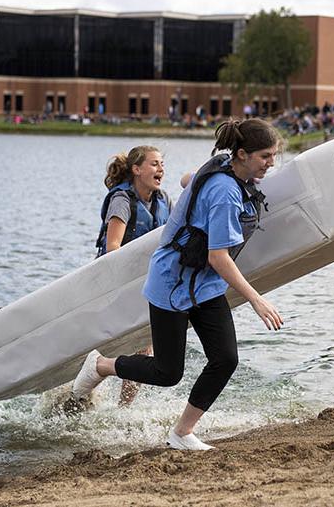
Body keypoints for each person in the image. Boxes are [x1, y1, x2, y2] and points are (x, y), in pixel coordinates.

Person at [71, 119, 283, 450]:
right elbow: (218, 257)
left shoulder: (225, 167)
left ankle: (181, 433)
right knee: (168, 373)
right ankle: (100, 365)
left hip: (206, 285)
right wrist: (256, 299)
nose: (271, 163)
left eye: (274, 156)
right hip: (173, 284)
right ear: (242, 154)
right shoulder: (226, 191)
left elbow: (187, 179)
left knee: (225, 359)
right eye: (266, 157)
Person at [93, 145, 171, 405]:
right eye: (154, 164)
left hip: (148, 284)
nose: (160, 169)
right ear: (136, 170)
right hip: (115, 283)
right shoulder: (122, 200)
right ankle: (81, 393)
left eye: (162, 164)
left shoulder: (164, 200)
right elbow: (112, 246)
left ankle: (124, 408)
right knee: (108, 343)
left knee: (144, 346)